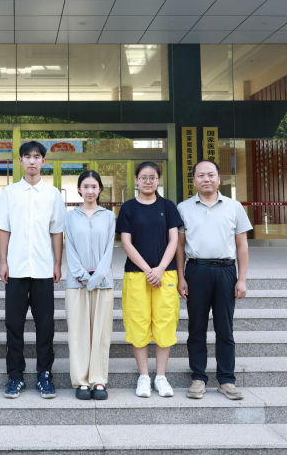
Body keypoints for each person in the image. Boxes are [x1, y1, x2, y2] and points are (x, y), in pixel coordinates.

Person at [176, 159, 252, 401]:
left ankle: (227, 380)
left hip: (226, 272)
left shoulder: (234, 207)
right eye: (201, 175)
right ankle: (198, 378)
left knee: (225, 328)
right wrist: (181, 277)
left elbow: (242, 245)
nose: (206, 179)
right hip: (196, 271)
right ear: (194, 180)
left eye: (211, 175)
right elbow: (179, 246)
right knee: (196, 327)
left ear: (219, 179)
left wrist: (242, 279)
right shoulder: (183, 208)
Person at [0, 140, 66, 399]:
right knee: (13, 324)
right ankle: (15, 376)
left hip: (43, 269)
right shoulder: (9, 193)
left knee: (45, 325)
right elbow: (4, 229)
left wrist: (57, 263)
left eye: (37, 156)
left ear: (43, 161)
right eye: (27, 156)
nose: (32, 161)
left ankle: (44, 375)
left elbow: (56, 231)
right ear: (20, 161)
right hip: (16, 269)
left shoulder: (53, 194)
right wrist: (3, 262)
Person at [117, 162, 183, 398]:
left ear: (158, 180)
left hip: (166, 274)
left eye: (152, 177)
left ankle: (161, 377)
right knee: (138, 322)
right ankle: (144, 376)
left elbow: (174, 240)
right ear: (136, 180)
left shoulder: (168, 206)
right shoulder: (128, 207)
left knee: (165, 321)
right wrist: (148, 270)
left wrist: (160, 268)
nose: (148, 181)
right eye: (143, 177)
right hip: (137, 275)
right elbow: (126, 242)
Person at [64, 170, 115, 401]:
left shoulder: (109, 216)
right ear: (79, 189)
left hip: (103, 283)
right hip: (76, 284)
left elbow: (109, 250)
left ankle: (98, 379)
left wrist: (96, 278)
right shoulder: (70, 217)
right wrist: (82, 276)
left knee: (101, 332)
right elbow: (70, 249)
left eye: (94, 186)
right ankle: (81, 381)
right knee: (78, 332)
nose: (90, 191)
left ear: (100, 189)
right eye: (86, 186)